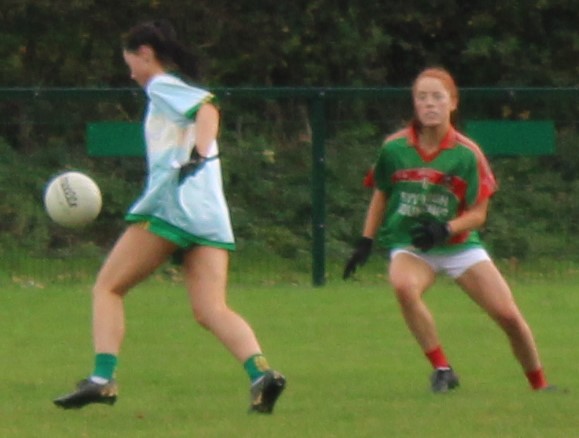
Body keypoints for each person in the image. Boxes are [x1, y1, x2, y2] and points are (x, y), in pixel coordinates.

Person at [53, 20, 285, 413]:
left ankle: (102, 379)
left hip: (173, 206)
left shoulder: (161, 85)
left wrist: (199, 152)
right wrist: (201, 152)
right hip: (210, 214)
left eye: (130, 63)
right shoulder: (168, 91)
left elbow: (207, 108)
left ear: (145, 54)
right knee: (211, 309)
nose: (131, 74)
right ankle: (262, 374)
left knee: (107, 288)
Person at [343, 67, 552, 393]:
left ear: (453, 102)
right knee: (403, 287)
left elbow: (479, 213)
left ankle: (540, 385)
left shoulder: (467, 154)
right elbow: (381, 191)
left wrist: (446, 228)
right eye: (422, 97)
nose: (430, 104)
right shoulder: (394, 148)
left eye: (437, 97)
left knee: (508, 316)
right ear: (414, 104)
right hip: (413, 245)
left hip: (460, 246)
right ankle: (442, 369)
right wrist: (365, 240)